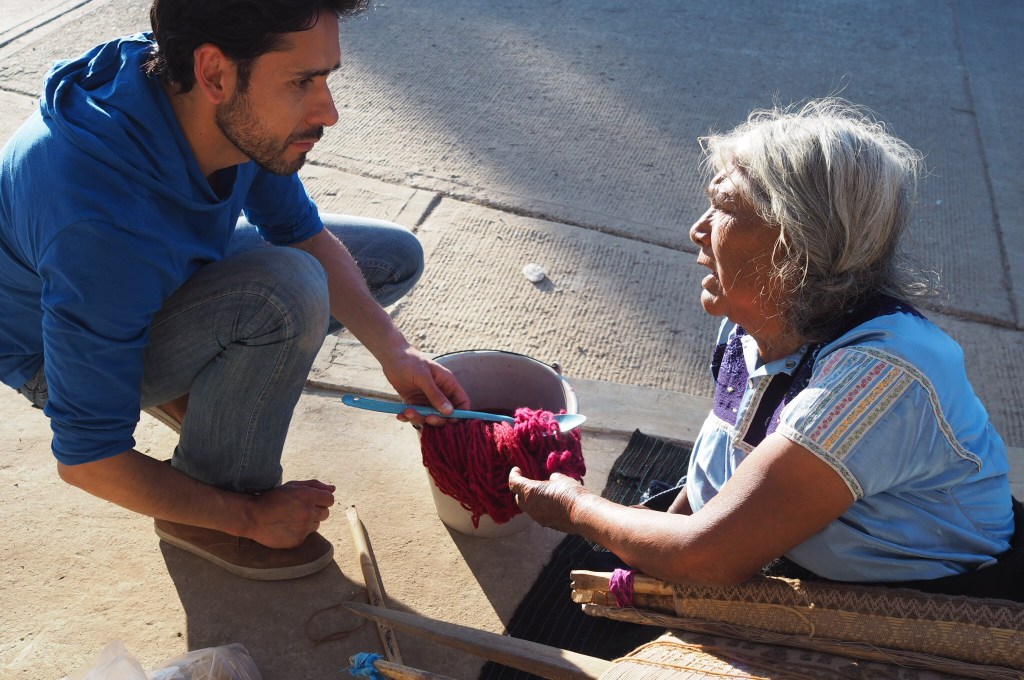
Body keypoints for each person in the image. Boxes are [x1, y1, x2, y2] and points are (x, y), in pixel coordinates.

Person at [0, 0, 468, 581]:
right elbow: (89, 459)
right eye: (301, 82)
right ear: (215, 73)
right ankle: (206, 509)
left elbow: (298, 231)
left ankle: (201, 390)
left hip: (143, 280)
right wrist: (248, 516)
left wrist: (397, 354)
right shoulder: (100, 228)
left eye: (325, 78)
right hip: (52, 356)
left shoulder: (195, 99)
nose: (329, 112)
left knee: (391, 259)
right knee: (286, 292)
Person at [509, 99, 1017, 590]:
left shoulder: (879, 377)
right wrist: (657, 540)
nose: (698, 230)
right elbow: (722, 456)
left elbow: (706, 556)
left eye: (725, 207)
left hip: (937, 589)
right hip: (802, 546)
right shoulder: (756, 318)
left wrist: (576, 508)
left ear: (798, 243)